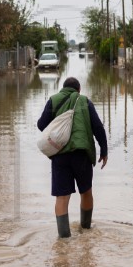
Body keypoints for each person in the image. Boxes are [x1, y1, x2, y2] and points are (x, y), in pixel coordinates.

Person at [37, 76, 108, 238]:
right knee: (86, 192)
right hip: (81, 154)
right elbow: (98, 127)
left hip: (59, 155)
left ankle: (64, 239)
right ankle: (86, 229)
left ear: (63, 88)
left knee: (61, 197)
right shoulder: (84, 101)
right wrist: (104, 151)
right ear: (79, 90)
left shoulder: (53, 100)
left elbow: (41, 125)